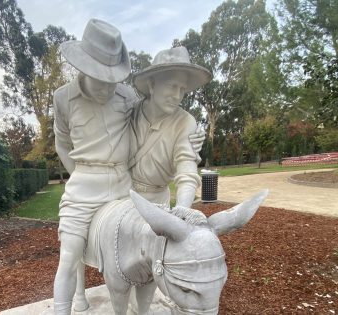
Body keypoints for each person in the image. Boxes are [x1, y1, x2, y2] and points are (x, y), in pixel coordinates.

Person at [52, 18, 136, 314]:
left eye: (112, 78)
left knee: (139, 248)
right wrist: (79, 176)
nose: (108, 86)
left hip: (122, 185)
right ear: (83, 68)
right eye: (102, 78)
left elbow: (147, 131)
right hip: (83, 184)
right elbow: (61, 143)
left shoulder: (128, 97)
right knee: (69, 254)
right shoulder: (63, 98)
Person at [129, 46, 211, 208]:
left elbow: (187, 174)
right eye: (172, 86)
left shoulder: (185, 123)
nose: (177, 96)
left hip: (156, 205)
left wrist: (182, 212)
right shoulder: (129, 111)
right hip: (121, 198)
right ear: (152, 85)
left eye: (182, 89)